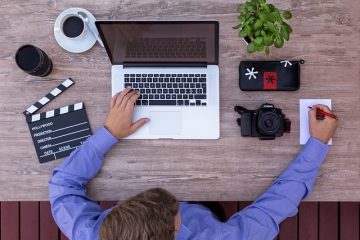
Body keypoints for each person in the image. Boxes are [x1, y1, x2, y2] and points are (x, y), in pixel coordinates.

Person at [49, 87, 339, 240]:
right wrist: (317, 144)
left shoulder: (91, 233)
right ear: (175, 233)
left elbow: (62, 187)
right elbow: (274, 209)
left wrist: (109, 133)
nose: (177, 200)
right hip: (211, 215)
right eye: (176, 211)